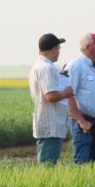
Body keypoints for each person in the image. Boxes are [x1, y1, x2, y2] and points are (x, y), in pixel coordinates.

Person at [28, 33, 74, 165]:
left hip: (48, 123)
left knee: (48, 165)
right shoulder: (46, 68)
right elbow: (51, 96)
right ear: (53, 49)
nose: (59, 52)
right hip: (50, 124)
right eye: (58, 48)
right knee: (47, 166)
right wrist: (66, 92)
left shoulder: (39, 66)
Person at [67, 32, 95, 164]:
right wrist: (82, 122)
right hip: (84, 124)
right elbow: (69, 96)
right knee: (82, 162)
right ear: (88, 47)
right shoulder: (75, 66)